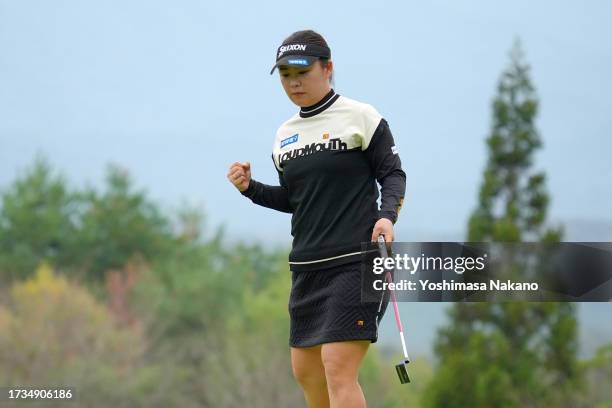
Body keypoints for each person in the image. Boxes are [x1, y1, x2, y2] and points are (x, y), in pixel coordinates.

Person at [227, 29, 406, 408]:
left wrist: (387, 217)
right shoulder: (284, 136)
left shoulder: (361, 117)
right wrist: (250, 188)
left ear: (328, 68)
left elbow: (392, 175)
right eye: (285, 75)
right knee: (308, 377)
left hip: (357, 262)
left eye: (302, 72)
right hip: (307, 269)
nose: (293, 82)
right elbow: (297, 201)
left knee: (337, 368)